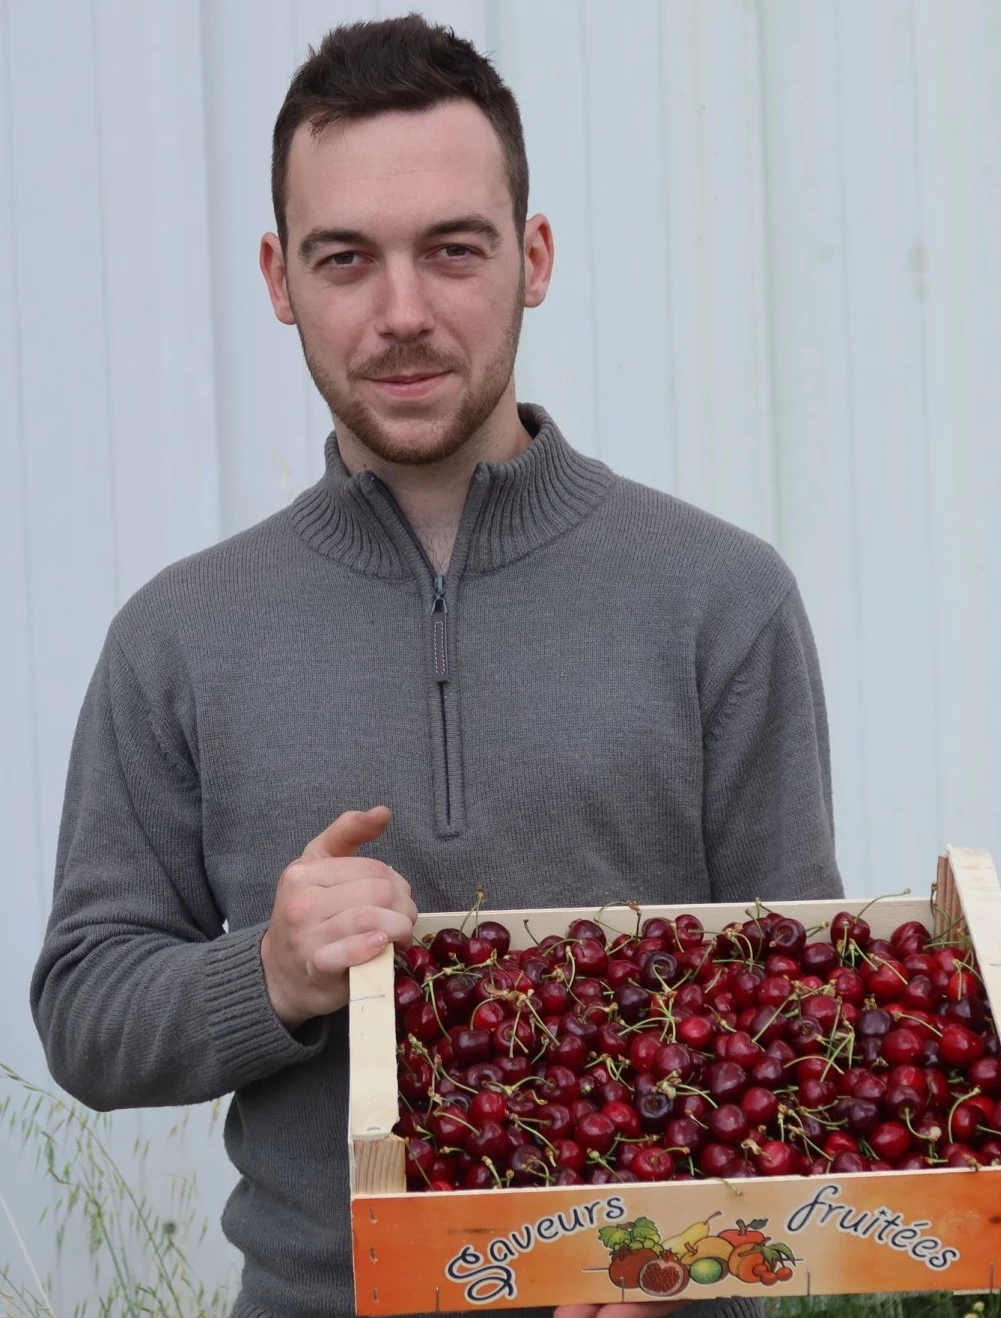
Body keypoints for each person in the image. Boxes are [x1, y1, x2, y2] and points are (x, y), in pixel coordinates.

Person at [31, 14, 842, 1318]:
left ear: (533, 256)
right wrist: (273, 971)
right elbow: (84, 1009)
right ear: (278, 276)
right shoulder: (176, 638)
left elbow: (802, 1018)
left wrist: (689, 1263)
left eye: (451, 250)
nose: (401, 312)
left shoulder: (722, 599)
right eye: (345, 257)